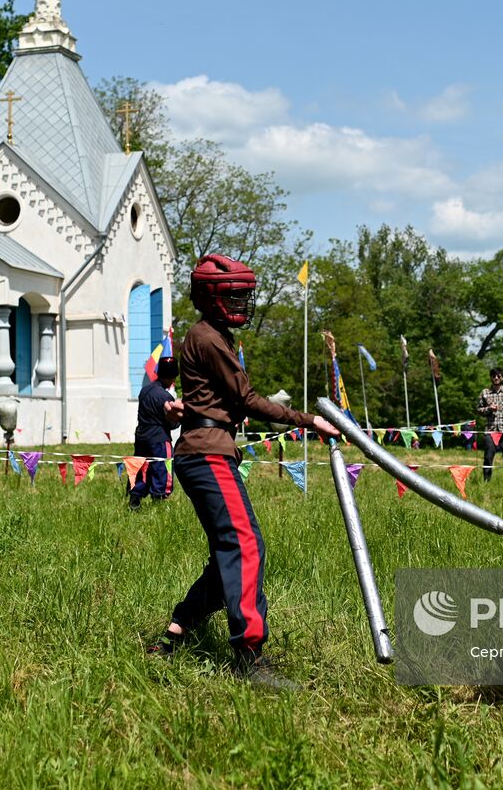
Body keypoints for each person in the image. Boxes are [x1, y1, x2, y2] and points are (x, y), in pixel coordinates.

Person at [152, 254, 340, 688]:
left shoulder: (210, 335)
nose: (243, 303)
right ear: (212, 297)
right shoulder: (210, 338)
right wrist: (310, 420)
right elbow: (247, 400)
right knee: (244, 546)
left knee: (229, 550)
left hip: (207, 451)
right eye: (235, 294)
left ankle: (177, 630)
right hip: (207, 454)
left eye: (244, 295)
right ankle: (248, 657)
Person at [130, 355, 178, 508]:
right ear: (172, 377)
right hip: (159, 437)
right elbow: (171, 420)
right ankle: (158, 502)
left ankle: (135, 499)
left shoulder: (144, 390)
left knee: (140, 467)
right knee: (161, 468)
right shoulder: (165, 396)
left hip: (141, 435)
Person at [476, 368, 503, 484]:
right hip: (490, 430)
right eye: (493, 376)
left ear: (502, 377)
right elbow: (478, 410)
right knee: (488, 457)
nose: (496, 378)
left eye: (498, 376)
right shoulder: (485, 393)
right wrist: (488, 409)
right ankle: (486, 482)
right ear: (491, 378)